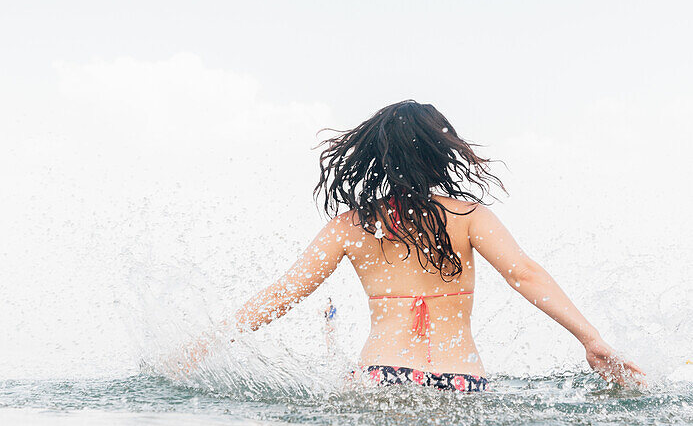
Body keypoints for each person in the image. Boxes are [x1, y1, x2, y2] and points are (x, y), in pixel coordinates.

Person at [185, 100, 643, 390]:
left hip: (380, 381)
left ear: (375, 157)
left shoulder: (349, 228)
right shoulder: (467, 216)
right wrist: (592, 339)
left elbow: (283, 294)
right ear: (442, 150)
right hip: (461, 383)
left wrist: (203, 346)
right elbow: (524, 274)